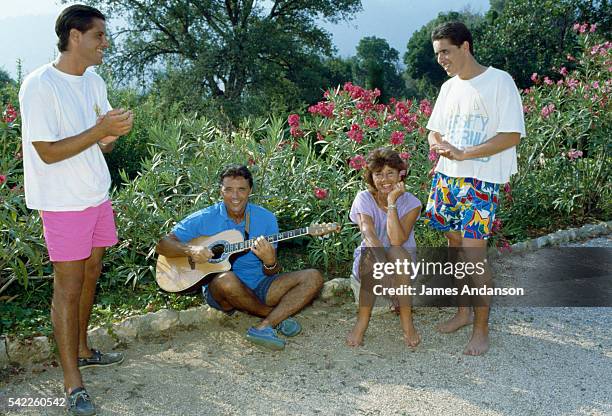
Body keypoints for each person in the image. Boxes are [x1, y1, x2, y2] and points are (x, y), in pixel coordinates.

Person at [18, 4, 134, 415]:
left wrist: (111, 134)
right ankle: (72, 384)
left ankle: (83, 349)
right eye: (99, 36)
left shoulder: (94, 80)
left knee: (90, 274)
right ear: (74, 37)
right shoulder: (39, 85)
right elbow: (47, 153)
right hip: (63, 203)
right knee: (66, 291)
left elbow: (99, 141)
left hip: (96, 195)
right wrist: (100, 131)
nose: (106, 43)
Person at [424, 21, 526, 356]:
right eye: (437, 53)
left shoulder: (499, 82)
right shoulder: (448, 88)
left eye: (446, 52)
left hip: (480, 183)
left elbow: (511, 135)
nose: (441, 59)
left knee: (474, 256)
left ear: (465, 46)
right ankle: (463, 313)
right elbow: (433, 132)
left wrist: (465, 152)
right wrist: (439, 143)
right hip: (447, 179)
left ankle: (482, 330)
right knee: (455, 250)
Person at [156, 164, 323, 350]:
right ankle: (276, 317)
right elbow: (163, 245)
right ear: (221, 191)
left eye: (241, 189)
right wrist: (190, 250)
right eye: (229, 190)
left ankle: (264, 326)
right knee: (227, 279)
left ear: (250, 190)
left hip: (261, 286)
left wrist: (270, 261)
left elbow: (272, 272)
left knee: (313, 277)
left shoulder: (266, 219)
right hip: (222, 290)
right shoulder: (205, 218)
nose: (235, 196)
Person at [345, 148, 422, 348]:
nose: (385, 179)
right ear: (371, 177)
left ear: (400, 175)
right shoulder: (363, 198)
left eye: (390, 173)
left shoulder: (413, 203)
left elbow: (396, 240)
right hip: (372, 261)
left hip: (402, 264)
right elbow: (368, 233)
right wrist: (384, 268)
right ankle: (361, 324)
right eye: (378, 174)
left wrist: (391, 202)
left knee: (398, 252)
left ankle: (407, 323)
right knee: (371, 254)